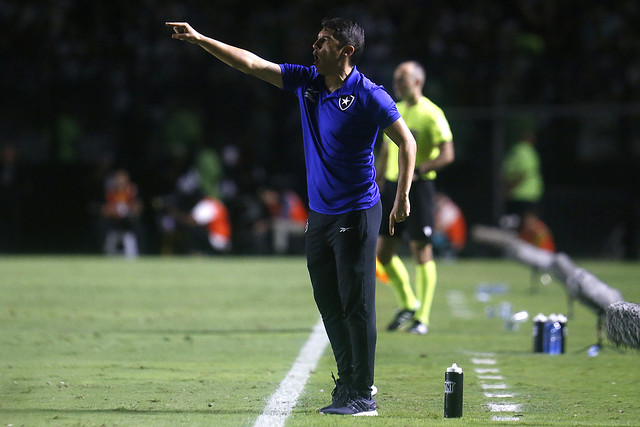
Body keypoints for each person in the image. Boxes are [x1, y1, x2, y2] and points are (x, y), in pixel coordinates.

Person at [166, 17, 416, 416]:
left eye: (324, 41)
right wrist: (199, 39)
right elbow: (251, 63)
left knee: (357, 304)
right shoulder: (308, 82)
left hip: (357, 210)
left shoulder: (370, 95)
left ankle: (364, 393)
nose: (314, 47)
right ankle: (347, 383)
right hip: (320, 215)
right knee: (329, 302)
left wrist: (402, 195)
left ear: (346, 51)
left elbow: (407, 141)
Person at [376, 61, 454, 335]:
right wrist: (377, 178)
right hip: (391, 186)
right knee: (383, 253)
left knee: (421, 251)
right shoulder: (393, 109)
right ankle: (408, 302)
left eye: (403, 79)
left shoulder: (432, 113)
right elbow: (386, 150)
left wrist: (423, 168)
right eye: (396, 79)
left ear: (418, 81)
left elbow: (447, 153)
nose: (398, 83)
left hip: (419, 189)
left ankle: (422, 317)